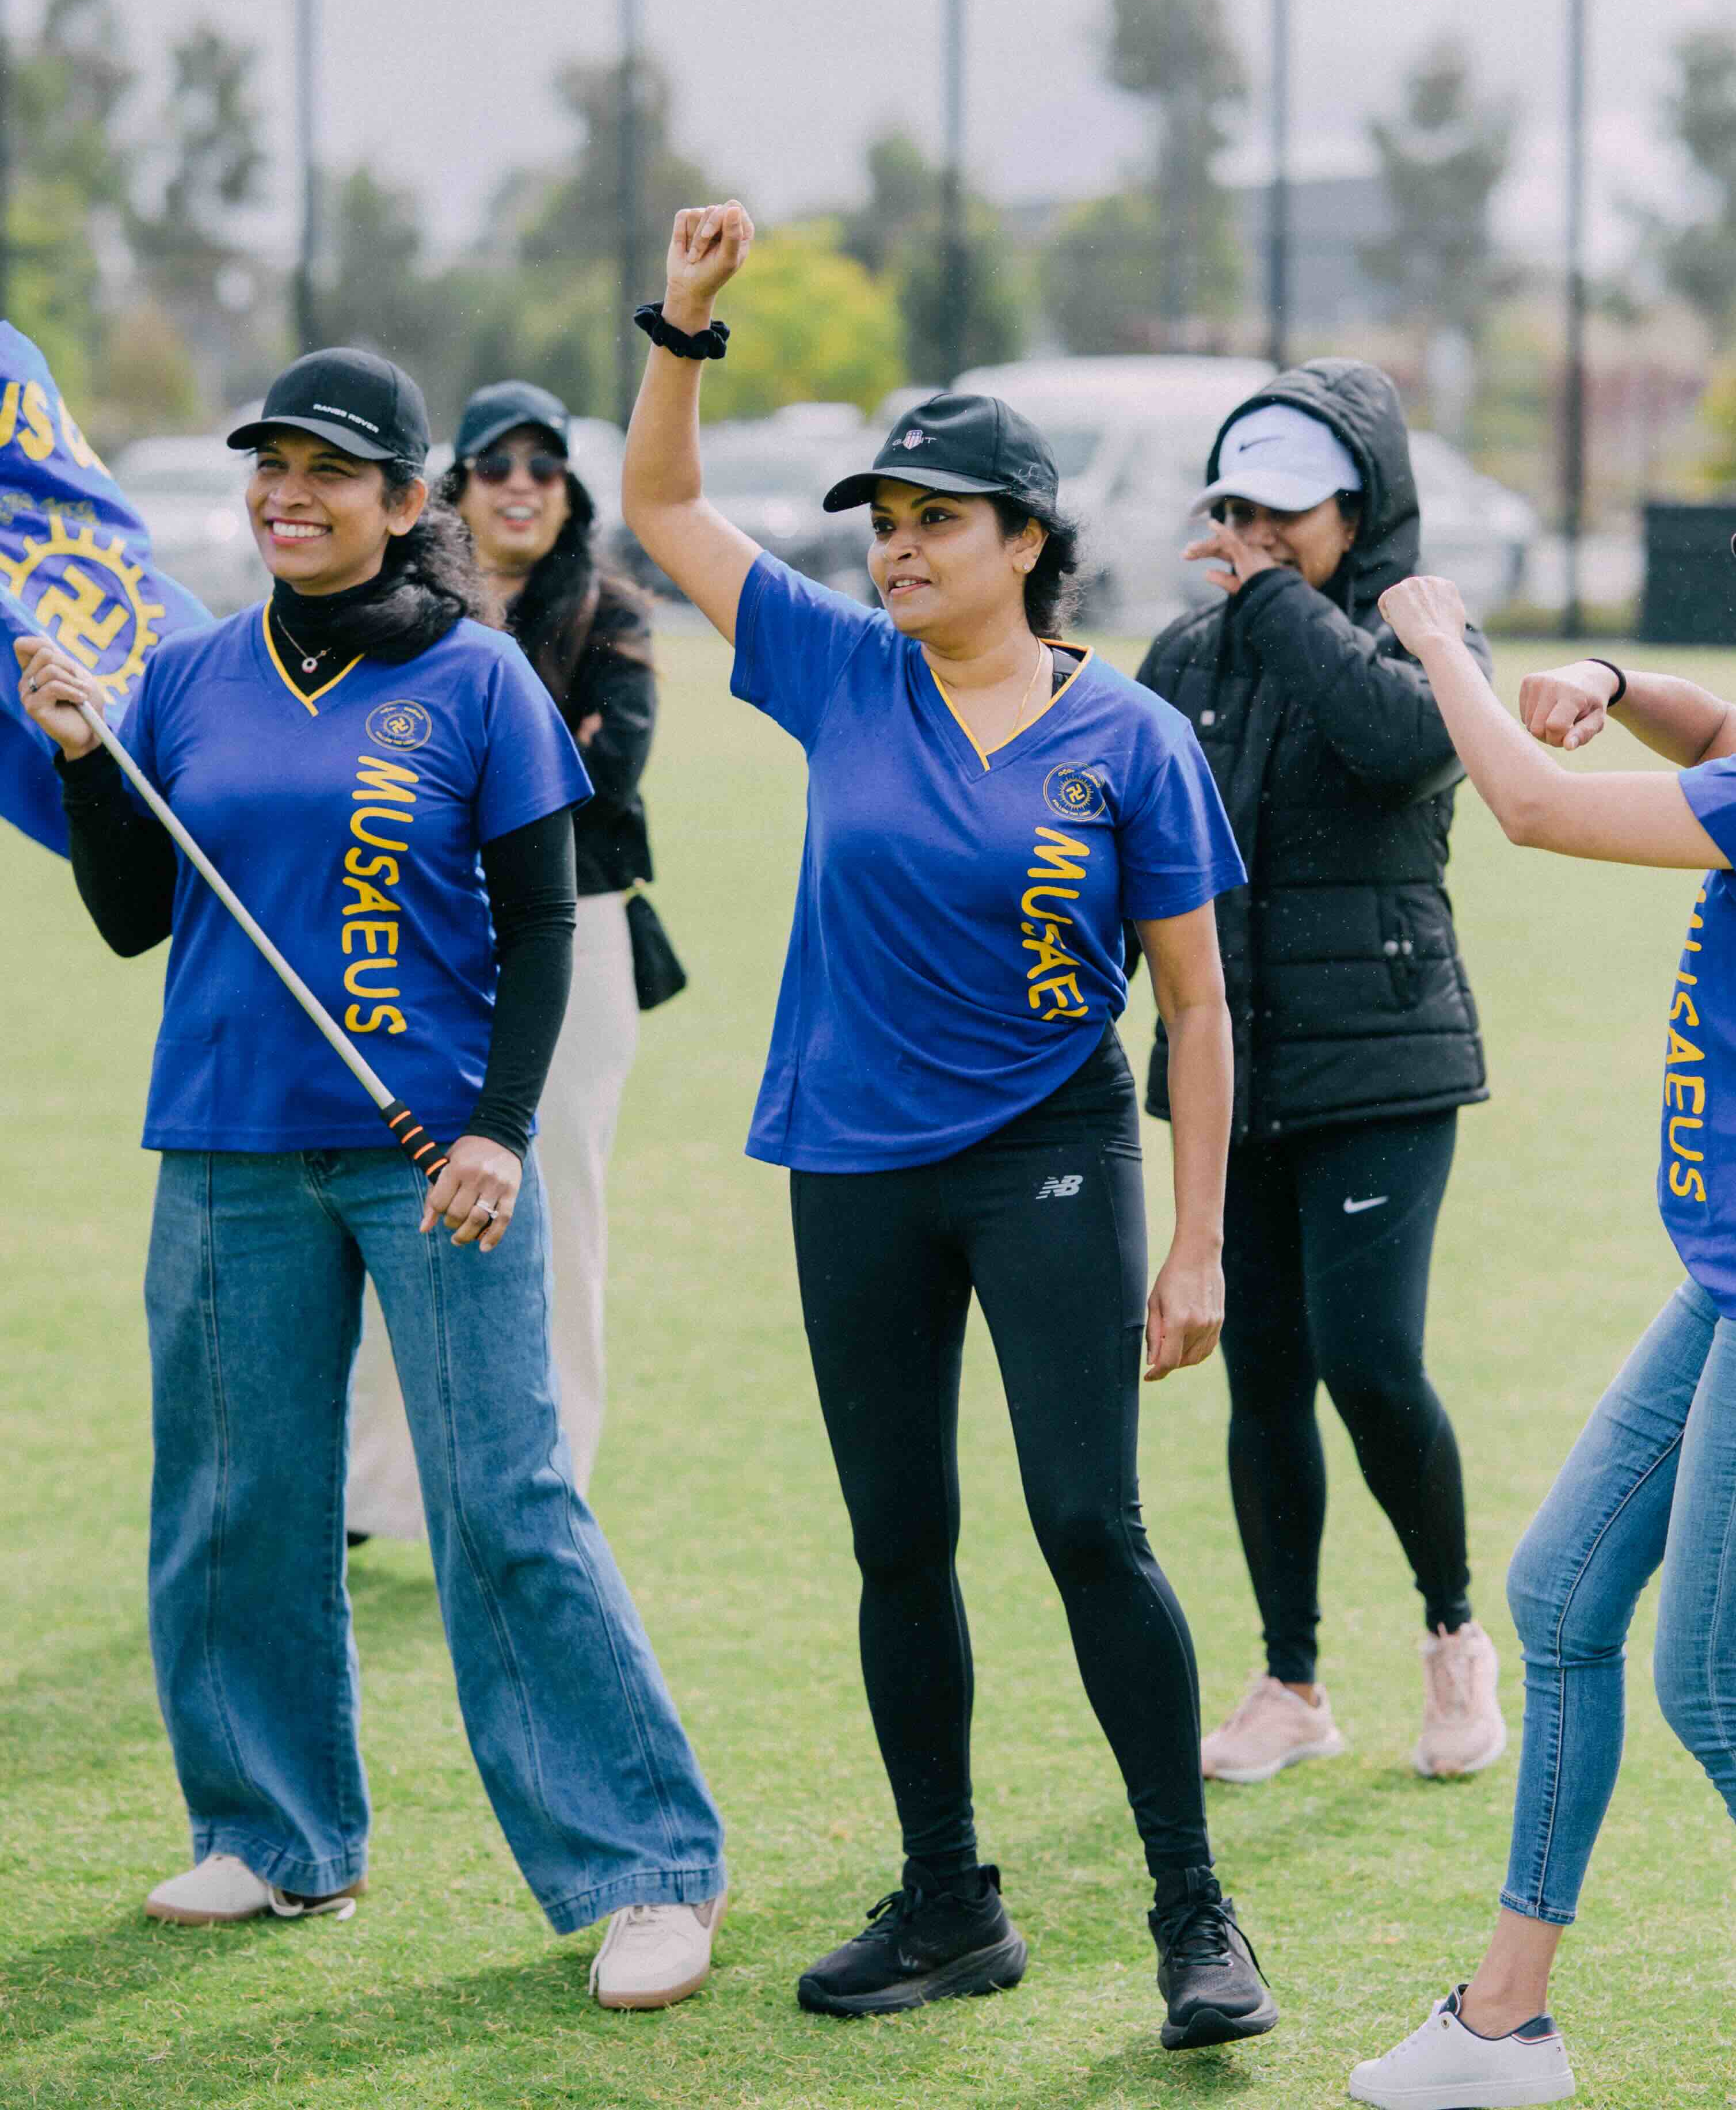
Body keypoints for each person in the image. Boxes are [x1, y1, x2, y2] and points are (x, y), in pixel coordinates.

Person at [620, 200, 1278, 2052]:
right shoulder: (840, 668)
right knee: (897, 1538)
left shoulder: (1127, 734)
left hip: (1052, 1155)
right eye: (884, 527)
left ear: (1029, 544)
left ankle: (1193, 1917)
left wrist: (1201, 1238)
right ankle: (946, 1901)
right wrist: (682, 330)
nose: (898, 552)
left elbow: (1202, 1005)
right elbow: (665, 511)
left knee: (1090, 1526)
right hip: (854, 1165)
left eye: (935, 525)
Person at [13, 345, 725, 2011]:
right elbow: (135, 916)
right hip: (226, 1143)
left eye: (329, 470)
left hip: (437, 1156)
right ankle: (275, 1832)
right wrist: (74, 754)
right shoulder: (186, 677)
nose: (288, 493)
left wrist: (498, 1126)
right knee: (234, 1502)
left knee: (506, 1500)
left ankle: (645, 1873)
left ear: (407, 504)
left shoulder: (482, 678)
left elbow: (546, 923)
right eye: (270, 464)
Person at [1346, 607, 1736, 2109]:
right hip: (1718, 1276)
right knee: (1562, 1592)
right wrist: (1621, 683)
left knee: (1709, 1684)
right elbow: (1714, 739)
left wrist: (1443, 640)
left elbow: (1531, 807)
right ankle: (1503, 2026)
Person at [1137, 362, 1503, 1785]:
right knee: (1264, 1373)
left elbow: (1403, 741)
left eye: (1290, 510)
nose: (1260, 530)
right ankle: (1289, 1680)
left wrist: (1275, 598)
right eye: (1240, 504)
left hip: (1387, 1069)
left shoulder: (1426, 629)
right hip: (1236, 1070)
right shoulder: (1182, 655)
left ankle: (1452, 1637)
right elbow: (1132, 863)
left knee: (1369, 1360)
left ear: (1362, 508)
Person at [348, 378, 655, 1530]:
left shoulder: (607, 612)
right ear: (451, 486)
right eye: (495, 464)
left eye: (544, 464)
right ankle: (376, 1484)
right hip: (421, 939)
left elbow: (604, 788)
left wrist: (474, 759)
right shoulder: (396, 614)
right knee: (390, 1192)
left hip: (576, 935)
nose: (520, 485)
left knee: (556, 1209)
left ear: (569, 489)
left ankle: (553, 1472)